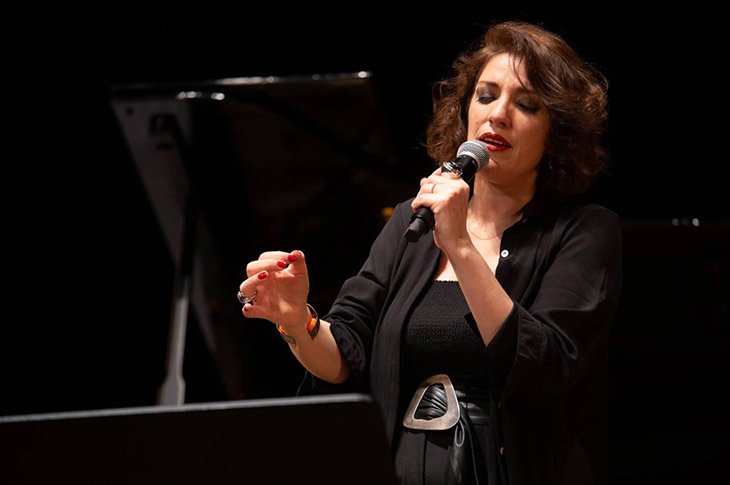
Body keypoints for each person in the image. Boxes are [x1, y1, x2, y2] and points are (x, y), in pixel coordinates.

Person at [238, 21, 621, 485]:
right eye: (486, 96)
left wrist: (459, 246)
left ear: (556, 134)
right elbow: (347, 356)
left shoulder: (583, 231)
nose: (498, 114)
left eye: (526, 105)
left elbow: (543, 366)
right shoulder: (411, 218)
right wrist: (298, 321)